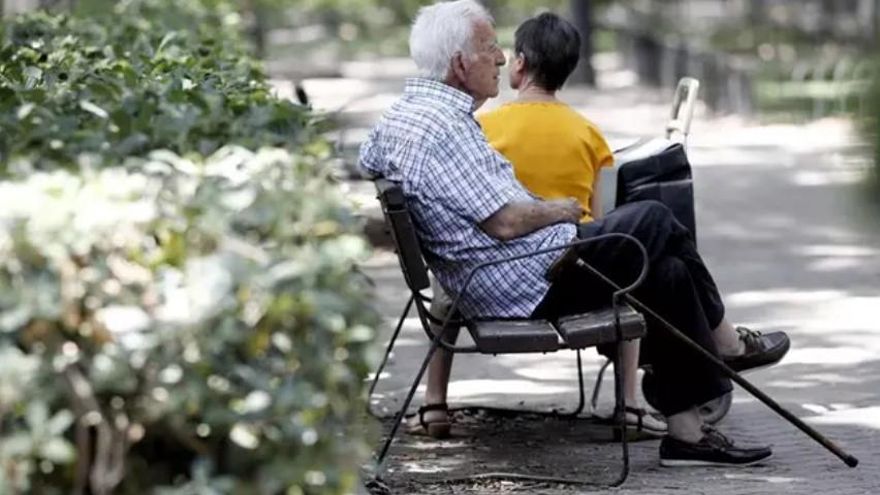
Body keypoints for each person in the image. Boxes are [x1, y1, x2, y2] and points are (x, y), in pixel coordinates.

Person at [360, 0, 789, 467]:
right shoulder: (443, 128)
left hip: (514, 271)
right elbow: (503, 222)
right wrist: (558, 209)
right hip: (525, 281)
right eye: (490, 49)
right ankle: (727, 344)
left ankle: (686, 435)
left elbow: (369, 159)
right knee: (655, 217)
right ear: (461, 63)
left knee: (665, 273)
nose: (502, 59)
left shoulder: (404, 117)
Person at [477, 12, 664, 434]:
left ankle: (434, 402)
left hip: (495, 276)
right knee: (630, 273)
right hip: (572, 275)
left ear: (520, 63)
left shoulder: (484, 126)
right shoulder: (589, 133)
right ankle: (629, 404)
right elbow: (599, 220)